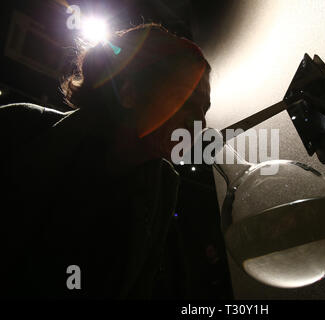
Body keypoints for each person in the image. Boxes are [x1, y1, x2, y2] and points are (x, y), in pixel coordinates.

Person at [0, 23, 211, 298]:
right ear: (128, 92)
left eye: (204, 110)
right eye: (187, 99)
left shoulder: (164, 190)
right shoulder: (21, 126)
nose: (201, 123)